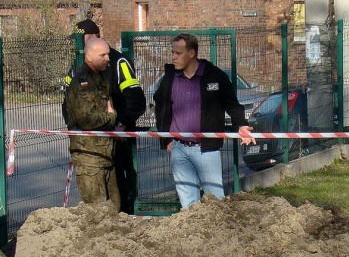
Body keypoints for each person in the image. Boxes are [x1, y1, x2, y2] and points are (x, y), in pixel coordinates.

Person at [153, 33, 255, 208]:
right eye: (172, 53)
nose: (174, 57)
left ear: (191, 53)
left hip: (207, 150)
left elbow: (232, 105)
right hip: (179, 149)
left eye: (178, 53)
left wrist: (241, 125)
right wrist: (166, 138)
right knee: (188, 205)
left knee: (215, 201)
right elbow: (160, 105)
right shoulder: (170, 78)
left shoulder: (215, 76)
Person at [64, 19, 146, 214]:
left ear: (93, 37)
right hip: (91, 149)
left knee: (120, 199)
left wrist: (121, 123)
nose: (76, 43)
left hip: (117, 142)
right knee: (98, 207)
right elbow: (68, 105)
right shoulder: (78, 67)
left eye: (81, 38)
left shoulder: (118, 62)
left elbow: (135, 99)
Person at [63, 37, 120, 206]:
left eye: (108, 54)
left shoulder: (100, 78)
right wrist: (112, 117)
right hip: (90, 158)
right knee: (97, 211)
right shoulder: (82, 83)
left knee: (114, 208)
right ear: (88, 56)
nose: (107, 58)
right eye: (102, 55)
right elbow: (87, 119)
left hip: (105, 154)